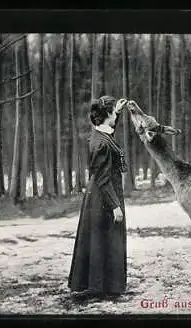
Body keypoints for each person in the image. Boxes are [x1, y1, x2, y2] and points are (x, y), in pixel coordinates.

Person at [68, 95, 129, 299]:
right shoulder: (100, 143)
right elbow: (103, 178)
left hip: (102, 195)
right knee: (105, 239)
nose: (115, 118)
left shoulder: (100, 135)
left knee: (105, 239)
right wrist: (115, 206)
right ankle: (103, 286)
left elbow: (109, 133)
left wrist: (117, 112)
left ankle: (106, 285)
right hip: (103, 197)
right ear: (107, 115)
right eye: (113, 114)